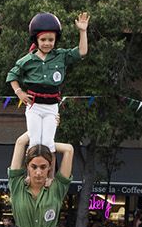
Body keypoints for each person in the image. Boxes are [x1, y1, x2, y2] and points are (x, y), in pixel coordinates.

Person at [7, 11, 88, 149]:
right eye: (43, 40)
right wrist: (19, 92)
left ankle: (49, 170)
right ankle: (31, 170)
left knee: (48, 143)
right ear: (36, 40)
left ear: (55, 40)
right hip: (34, 106)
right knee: (35, 142)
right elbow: (12, 75)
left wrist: (82, 31)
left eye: (51, 40)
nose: (47, 43)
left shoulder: (61, 56)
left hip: (51, 107)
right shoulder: (27, 60)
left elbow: (82, 51)